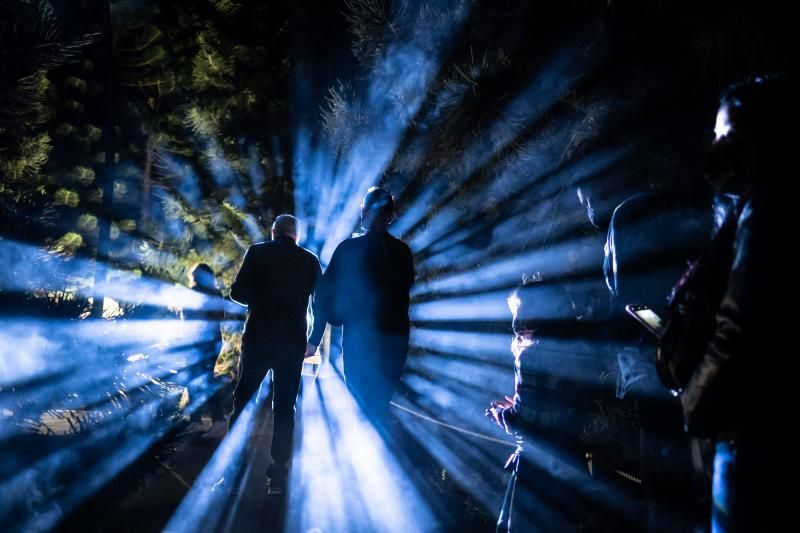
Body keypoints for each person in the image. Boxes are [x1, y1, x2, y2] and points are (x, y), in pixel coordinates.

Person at [662, 75, 798, 532]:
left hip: (751, 433)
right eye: (715, 134)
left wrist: (694, 400)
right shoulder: (751, 206)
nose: (716, 146)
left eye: (728, 133)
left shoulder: (766, 209)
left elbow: (739, 320)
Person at [486, 278, 598, 532]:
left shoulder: (532, 356)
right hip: (573, 459)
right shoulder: (580, 350)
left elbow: (525, 423)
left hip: (539, 469)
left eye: (521, 312)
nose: (515, 322)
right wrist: (517, 402)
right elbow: (560, 408)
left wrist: (500, 413)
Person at [306, 187, 414, 427]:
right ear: (391, 217)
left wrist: (315, 336)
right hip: (393, 342)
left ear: (363, 212)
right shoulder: (402, 252)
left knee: (357, 406)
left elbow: (324, 294)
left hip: (359, 340)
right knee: (379, 408)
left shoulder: (348, 249)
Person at [229, 214, 322, 493]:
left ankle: (234, 471)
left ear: (273, 232)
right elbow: (321, 303)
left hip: (258, 338)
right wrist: (313, 340)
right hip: (292, 343)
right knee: (284, 409)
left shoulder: (257, 252)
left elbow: (237, 292)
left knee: (243, 402)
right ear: (297, 236)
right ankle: (278, 475)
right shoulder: (309, 260)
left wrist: (261, 293)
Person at [185, 263, 226, 424]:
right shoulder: (216, 294)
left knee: (195, 381)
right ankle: (214, 419)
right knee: (206, 379)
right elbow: (219, 317)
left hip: (196, 344)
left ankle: (199, 421)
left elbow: (187, 320)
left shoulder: (192, 293)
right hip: (213, 342)